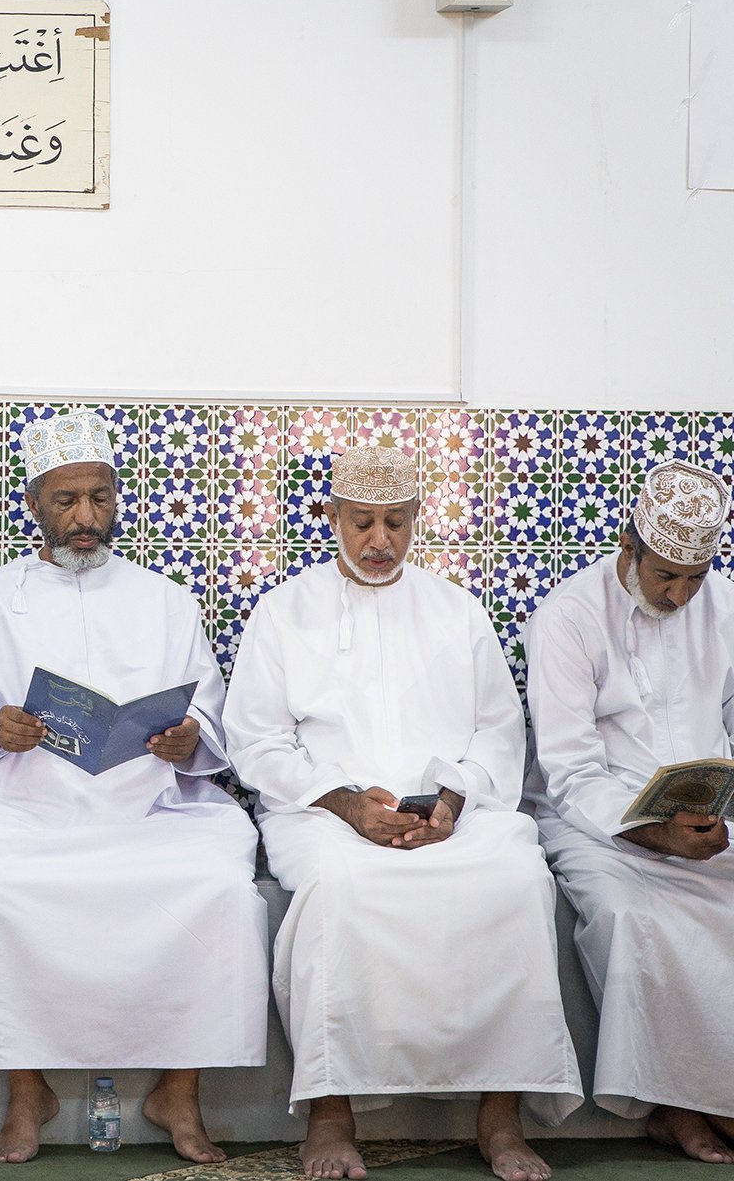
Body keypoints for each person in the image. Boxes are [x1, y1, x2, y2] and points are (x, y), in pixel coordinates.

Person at [0, 409, 267, 1164]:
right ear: (33, 503)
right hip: (25, 809)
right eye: (66, 501)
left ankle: (181, 1088)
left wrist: (187, 738)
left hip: (154, 807)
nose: (85, 517)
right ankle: (25, 1088)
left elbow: (209, 712)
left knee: (221, 887)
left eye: (99, 498)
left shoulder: (167, 599)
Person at [223, 443, 581, 1181]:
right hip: (323, 811)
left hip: (449, 810)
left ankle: (500, 1115)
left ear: (418, 518)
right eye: (362, 522)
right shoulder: (283, 611)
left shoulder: (457, 608)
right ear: (331, 518)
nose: (379, 540)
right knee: (339, 886)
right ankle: (331, 1111)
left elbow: (496, 729)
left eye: (394, 522)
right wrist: (349, 804)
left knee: (515, 877)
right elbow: (257, 740)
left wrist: (450, 800)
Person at [525, 459, 734, 1163]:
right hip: (598, 821)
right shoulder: (568, 616)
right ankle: (677, 1105)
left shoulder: (724, 606)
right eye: (664, 576)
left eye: (694, 578)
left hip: (706, 824)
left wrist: (712, 819)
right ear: (629, 547)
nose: (679, 594)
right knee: (629, 916)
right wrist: (652, 830)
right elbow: (569, 767)